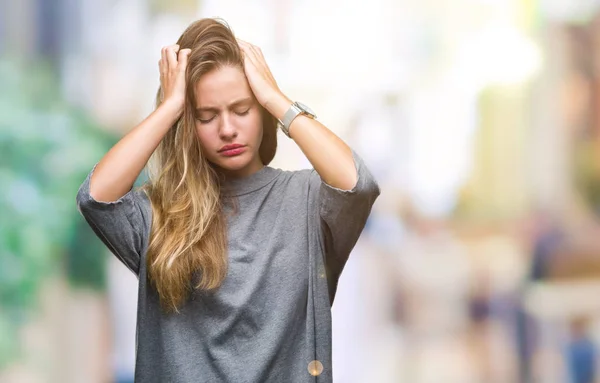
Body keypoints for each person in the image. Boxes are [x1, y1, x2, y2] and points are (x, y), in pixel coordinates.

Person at [76, 18, 379, 382]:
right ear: (189, 123)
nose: (227, 129)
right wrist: (170, 108)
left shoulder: (308, 202)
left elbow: (357, 184)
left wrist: (275, 98)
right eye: (206, 116)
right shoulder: (159, 213)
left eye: (242, 109)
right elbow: (96, 197)